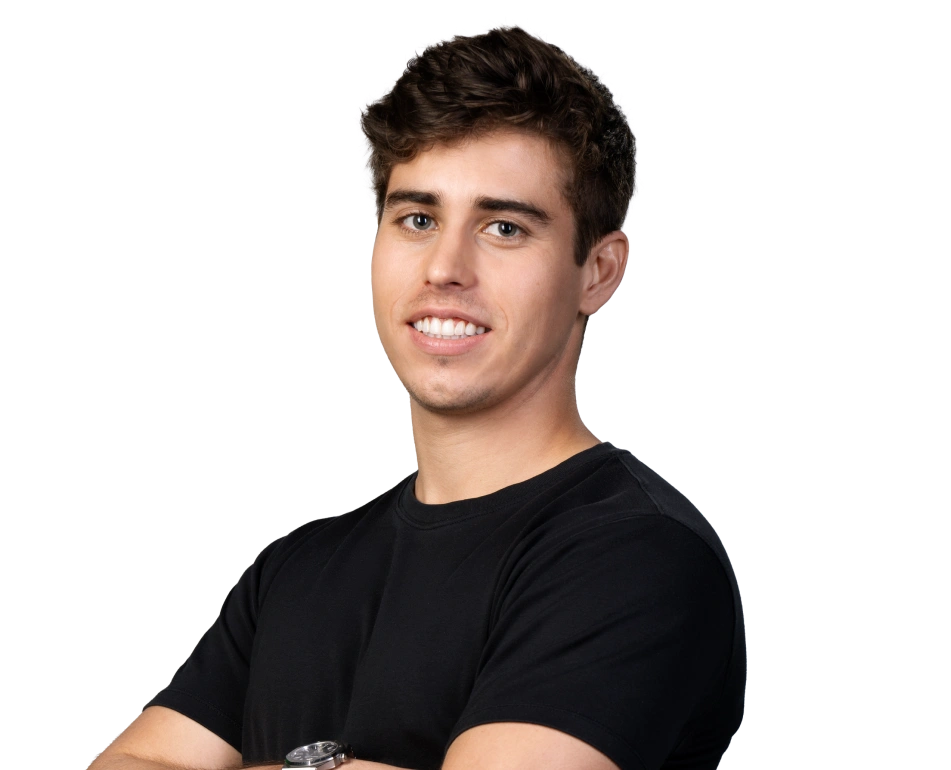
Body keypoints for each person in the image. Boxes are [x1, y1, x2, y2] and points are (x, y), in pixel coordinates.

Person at [89, 22, 744, 770]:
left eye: (504, 227)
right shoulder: (295, 571)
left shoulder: (635, 555)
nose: (444, 267)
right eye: (418, 219)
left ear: (598, 272)